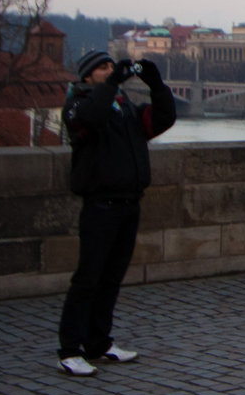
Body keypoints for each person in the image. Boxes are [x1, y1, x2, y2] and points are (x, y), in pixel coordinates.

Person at [57, 51, 176, 376]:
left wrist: (156, 84)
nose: (110, 71)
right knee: (88, 278)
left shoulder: (124, 109)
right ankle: (69, 349)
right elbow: (92, 117)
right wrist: (112, 83)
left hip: (128, 203)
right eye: (103, 68)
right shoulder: (78, 106)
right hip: (100, 205)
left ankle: (98, 342)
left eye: (111, 67)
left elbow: (163, 119)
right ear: (87, 77)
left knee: (110, 279)